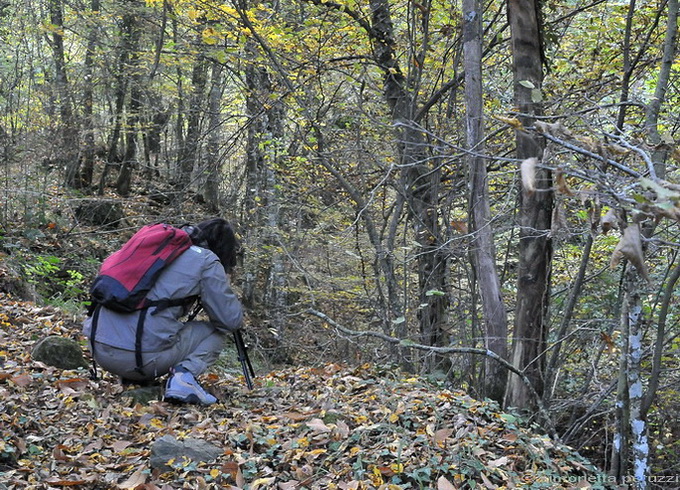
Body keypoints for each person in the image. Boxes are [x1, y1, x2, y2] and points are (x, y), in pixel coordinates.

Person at [83, 218, 243, 405]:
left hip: (98, 349)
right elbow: (230, 321)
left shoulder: (156, 252)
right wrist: (223, 281)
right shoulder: (205, 260)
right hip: (139, 360)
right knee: (215, 332)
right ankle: (183, 380)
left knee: (153, 316)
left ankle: (134, 378)